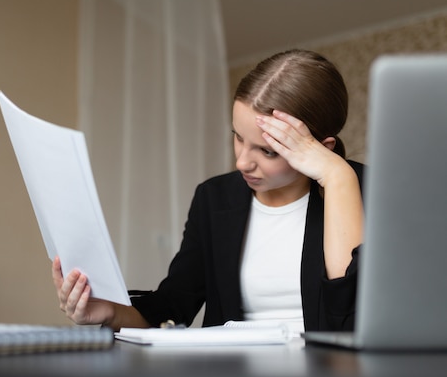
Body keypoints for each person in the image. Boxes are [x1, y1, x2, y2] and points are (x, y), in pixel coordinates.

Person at [52, 49, 364, 332]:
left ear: (321, 150)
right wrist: (109, 311)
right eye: (238, 137)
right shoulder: (214, 199)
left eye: (268, 152)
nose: (242, 162)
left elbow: (352, 320)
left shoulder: (367, 189)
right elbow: (174, 306)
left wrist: (338, 177)